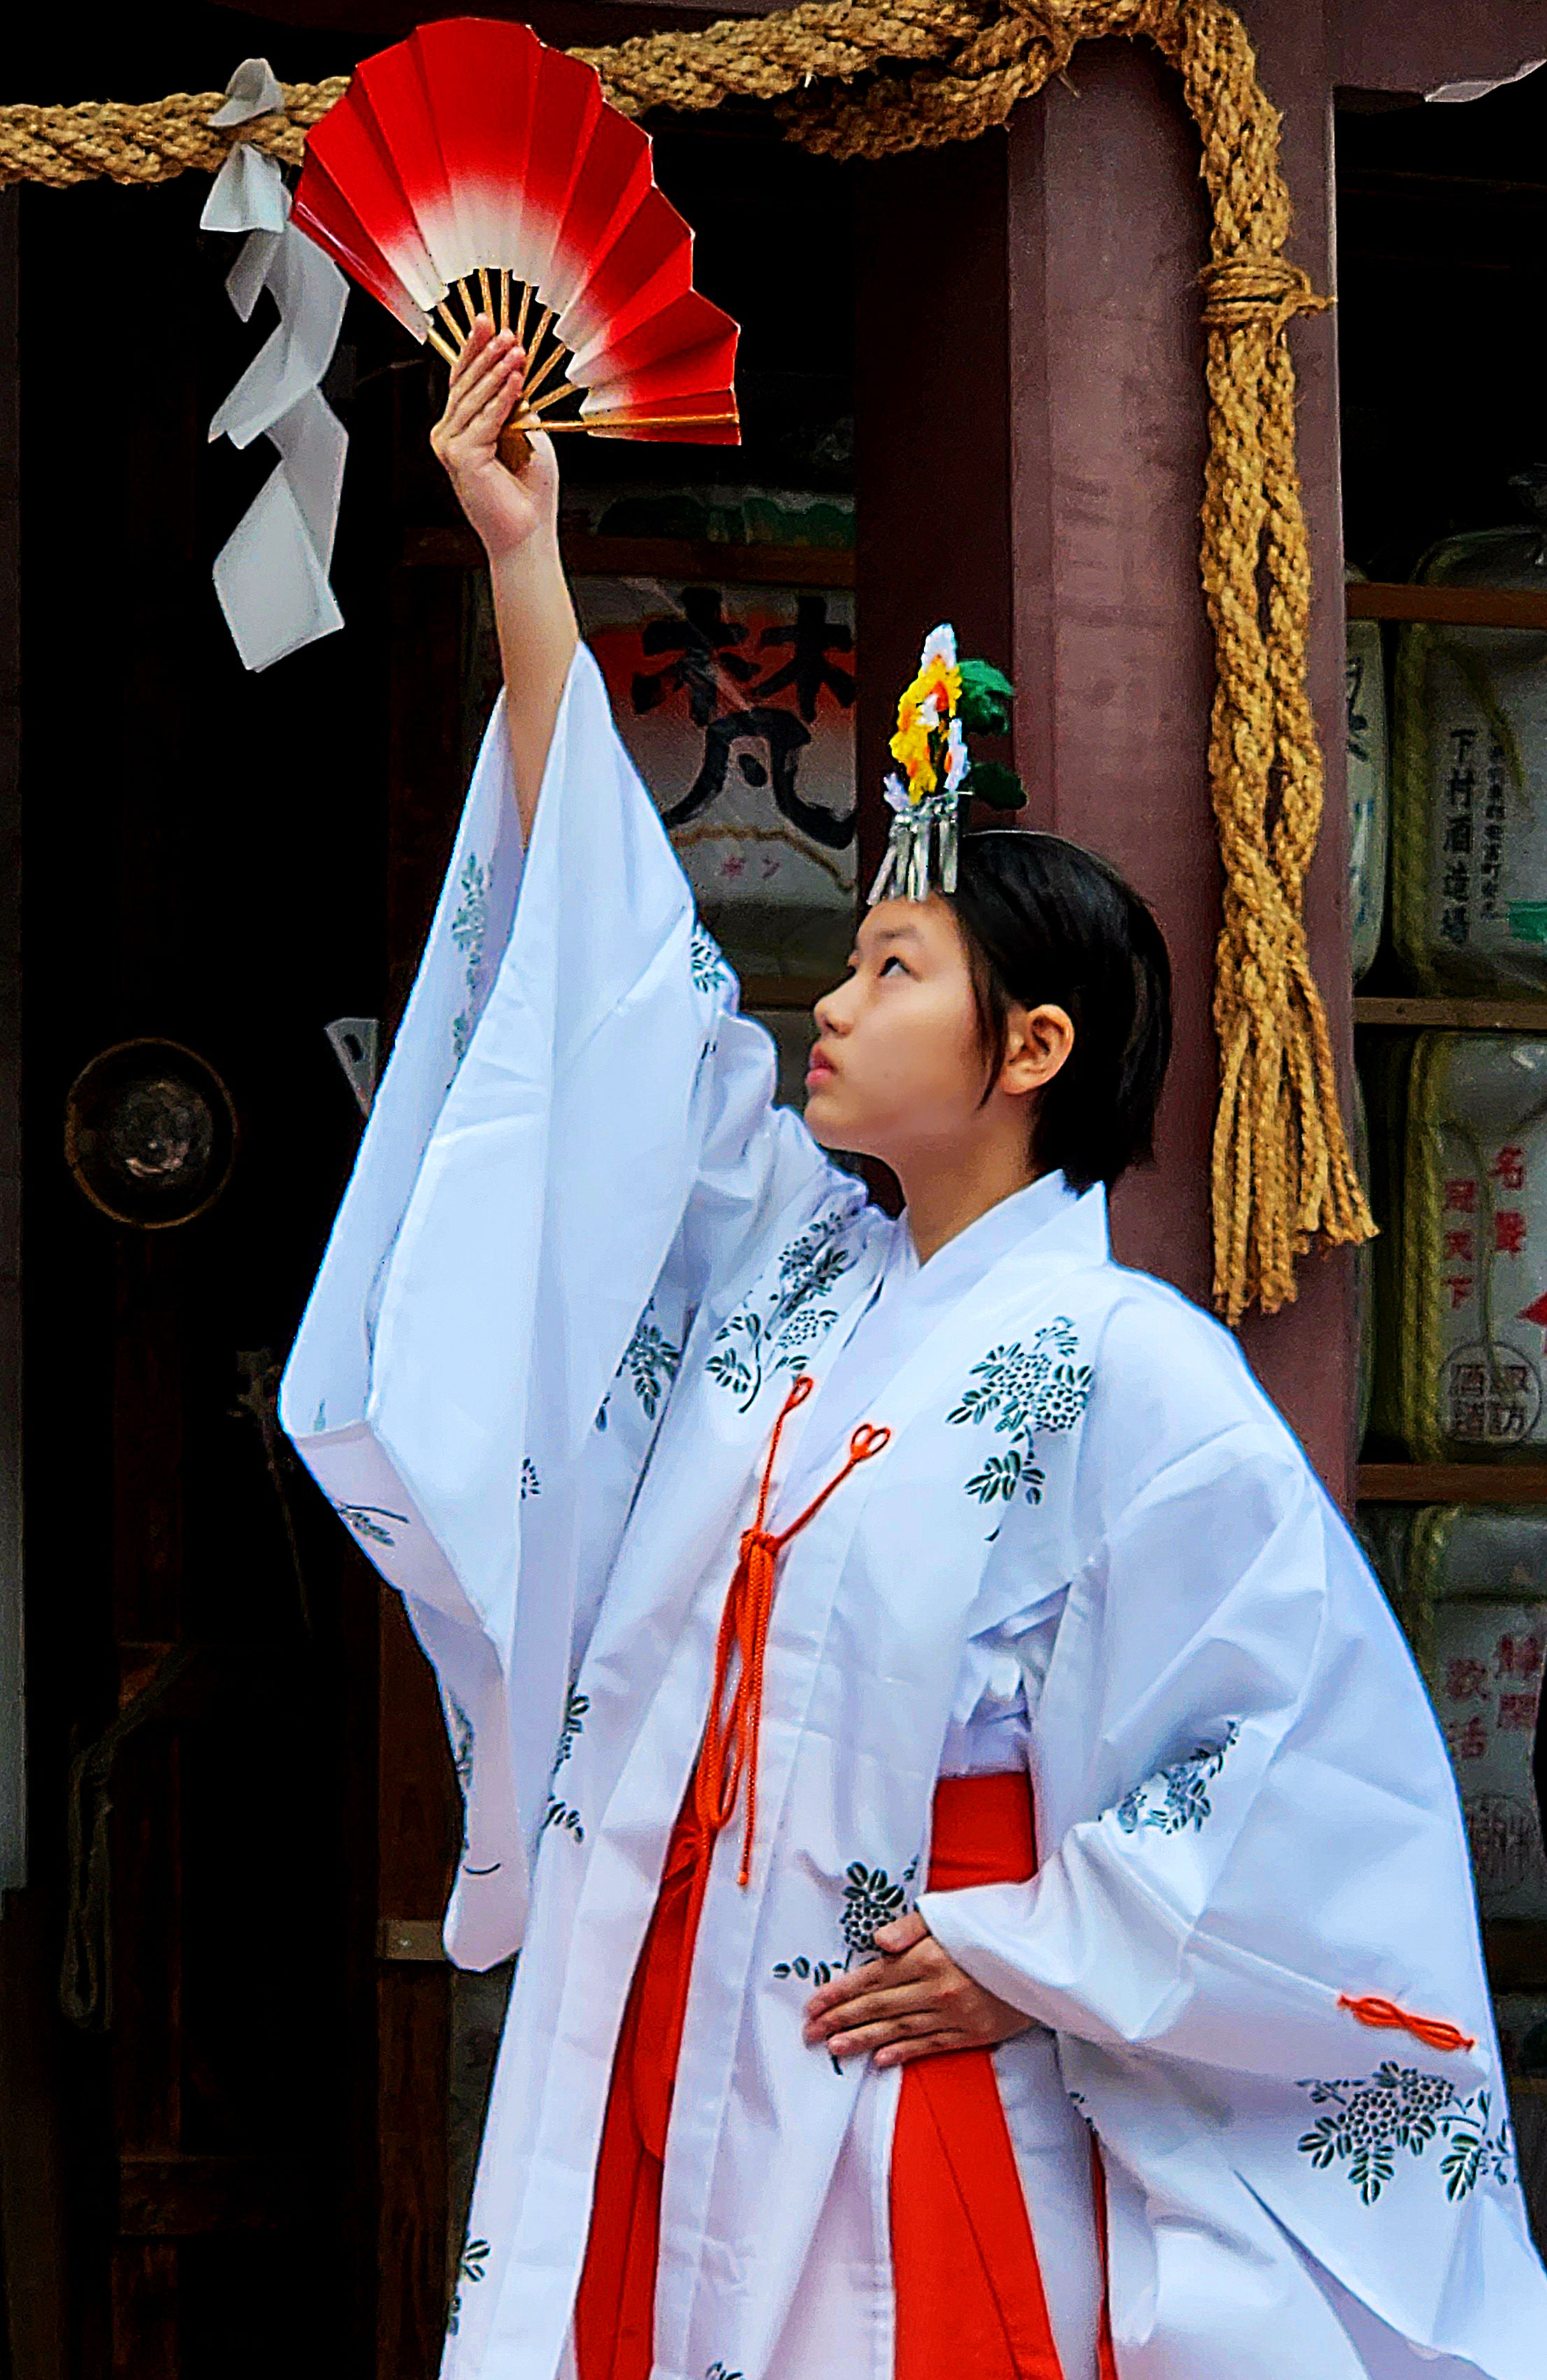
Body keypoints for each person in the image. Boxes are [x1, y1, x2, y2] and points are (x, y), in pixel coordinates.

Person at [281, 322, 1547, 2380]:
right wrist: (527, 558)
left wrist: (1038, 1944)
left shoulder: (1129, 1367)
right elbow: (620, 994)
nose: (834, 1007)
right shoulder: (797, 1272)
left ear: (1031, 1052)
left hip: (911, 2050)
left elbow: (1284, 1743)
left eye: (893, 968)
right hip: (669, 2014)